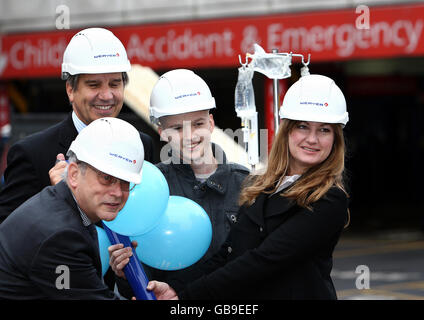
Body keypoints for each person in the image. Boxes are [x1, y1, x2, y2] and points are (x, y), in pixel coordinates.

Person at [113, 74, 350, 300]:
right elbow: (229, 253)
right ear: (287, 130)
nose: (312, 138)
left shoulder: (329, 199)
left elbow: (264, 260)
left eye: (324, 130)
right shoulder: (263, 187)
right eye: (302, 127)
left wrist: (186, 296)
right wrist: (175, 288)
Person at [111, 69, 249, 295]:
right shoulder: (147, 187)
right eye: (176, 128)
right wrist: (125, 273)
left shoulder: (246, 185)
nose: (190, 135)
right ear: (162, 132)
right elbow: (141, 286)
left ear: (211, 123)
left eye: (198, 124)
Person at [0, 27, 155, 224]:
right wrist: (55, 198)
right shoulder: (32, 154)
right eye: (94, 85)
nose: (107, 95)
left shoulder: (142, 144)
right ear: (70, 90)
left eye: (115, 84)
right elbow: (9, 234)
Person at [0, 117, 144, 299]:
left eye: (125, 182)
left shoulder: (62, 206)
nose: (117, 192)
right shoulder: (60, 236)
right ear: (74, 174)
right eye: (106, 178)